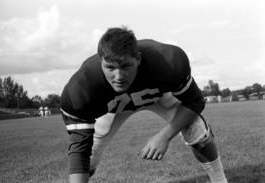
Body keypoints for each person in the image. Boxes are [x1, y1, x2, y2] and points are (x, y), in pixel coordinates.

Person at [60, 27, 228, 183]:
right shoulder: (82, 87)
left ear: (138, 59)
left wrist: (165, 136)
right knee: (88, 157)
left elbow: (195, 101)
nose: (118, 76)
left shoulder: (167, 61)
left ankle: (220, 180)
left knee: (197, 131)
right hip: (113, 107)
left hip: (159, 97)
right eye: (110, 67)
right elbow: (79, 150)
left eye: (125, 66)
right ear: (100, 61)